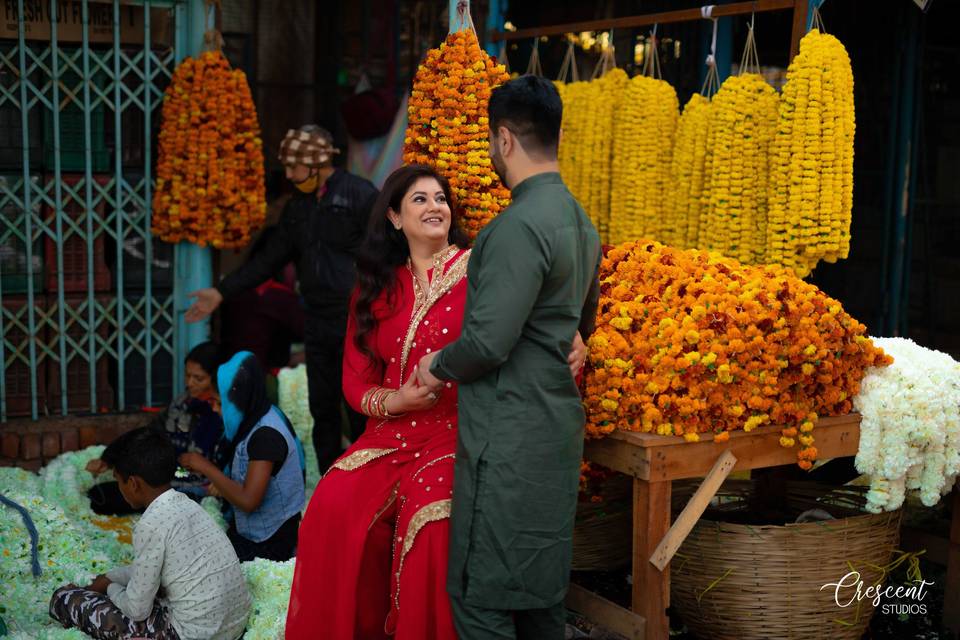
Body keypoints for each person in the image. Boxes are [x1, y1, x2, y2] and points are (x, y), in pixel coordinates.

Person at [417, 76, 602, 639]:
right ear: (558, 134)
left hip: (508, 436)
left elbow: (489, 344)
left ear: (503, 139)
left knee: (480, 597)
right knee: (541, 595)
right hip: (554, 431)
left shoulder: (515, 228)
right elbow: (580, 330)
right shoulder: (581, 221)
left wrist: (436, 364)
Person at [285, 165, 470, 639]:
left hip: (459, 430)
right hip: (392, 432)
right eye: (420, 200)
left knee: (429, 519)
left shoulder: (478, 271)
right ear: (393, 217)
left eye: (441, 199)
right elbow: (355, 380)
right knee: (332, 502)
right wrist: (398, 400)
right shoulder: (378, 288)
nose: (435, 207)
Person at [185, 124, 377, 474]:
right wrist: (221, 292)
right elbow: (269, 258)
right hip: (317, 321)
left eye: (294, 167)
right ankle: (331, 481)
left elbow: (386, 251)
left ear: (316, 164)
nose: (288, 175)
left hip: (359, 318)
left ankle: (367, 481)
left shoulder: (360, 195)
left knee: (358, 405)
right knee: (322, 407)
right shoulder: (297, 208)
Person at [49, 428, 250, 640]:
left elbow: (137, 610)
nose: (118, 487)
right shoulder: (189, 506)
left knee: (65, 598)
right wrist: (109, 576)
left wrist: (111, 587)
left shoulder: (151, 524)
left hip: (190, 635)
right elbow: (152, 571)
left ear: (133, 484)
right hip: (233, 627)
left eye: (118, 480)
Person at [179, 351, 306, 562]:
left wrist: (205, 467)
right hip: (251, 529)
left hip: (269, 542)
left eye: (220, 403)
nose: (215, 409)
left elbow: (249, 501)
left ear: (240, 399)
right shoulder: (257, 414)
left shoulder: (266, 435)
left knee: (195, 562)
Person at [86, 342, 227, 515]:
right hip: (169, 477)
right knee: (99, 496)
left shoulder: (225, 414)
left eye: (198, 378)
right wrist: (109, 458)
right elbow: (152, 433)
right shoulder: (182, 403)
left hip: (200, 487)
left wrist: (220, 480)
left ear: (216, 380)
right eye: (187, 375)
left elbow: (231, 465)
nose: (190, 383)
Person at [220, 226, 305, 402]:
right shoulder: (281, 297)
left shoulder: (234, 290)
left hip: (228, 378)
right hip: (265, 383)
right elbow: (315, 338)